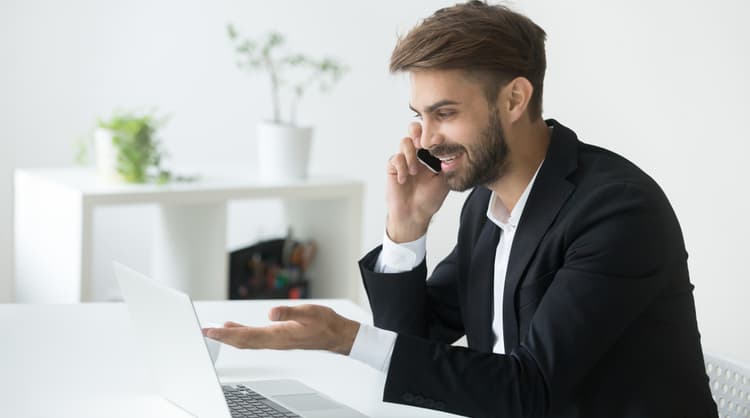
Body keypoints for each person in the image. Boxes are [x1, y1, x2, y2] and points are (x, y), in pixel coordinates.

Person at [204, 2, 718, 417]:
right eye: (419, 116)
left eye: (445, 113)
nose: (426, 140)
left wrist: (346, 339)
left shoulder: (617, 212)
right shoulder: (486, 204)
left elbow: (528, 391)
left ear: (515, 99)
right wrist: (407, 230)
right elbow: (418, 343)